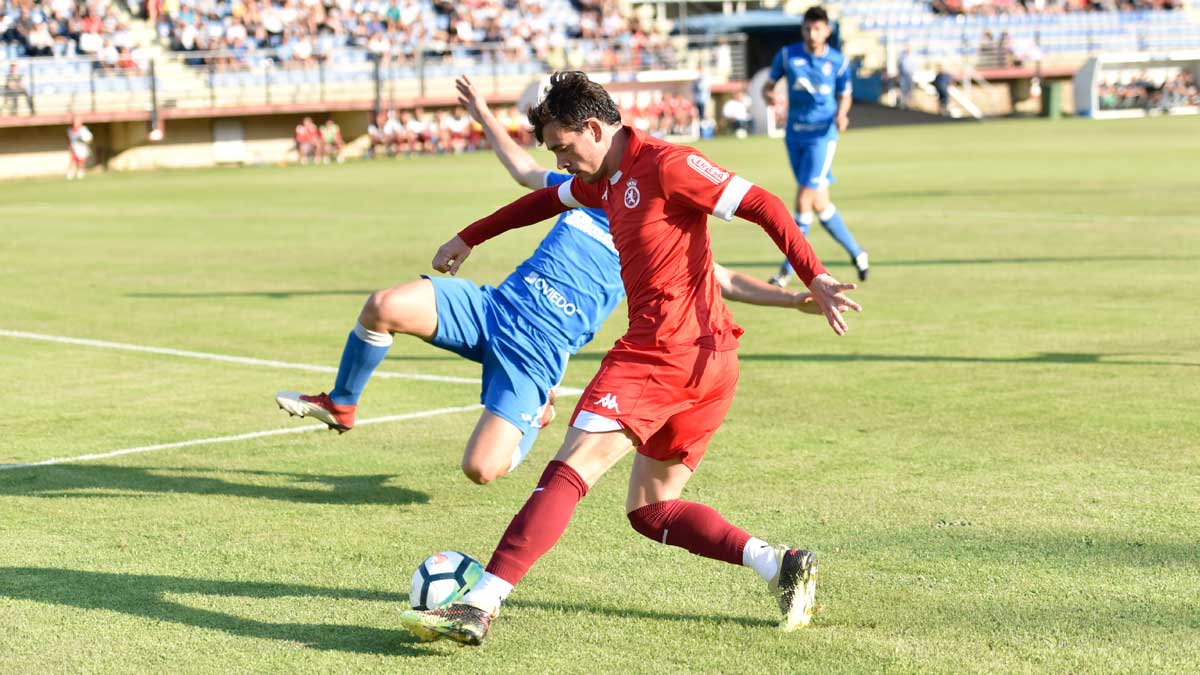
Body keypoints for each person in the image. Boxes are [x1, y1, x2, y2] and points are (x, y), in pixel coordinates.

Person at [399, 71, 859, 645]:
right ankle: (780, 564)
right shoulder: (605, 183)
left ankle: (480, 603)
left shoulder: (668, 164)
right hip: (710, 363)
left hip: (662, 355)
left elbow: (761, 202)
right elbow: (542, 200)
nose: (562, 161)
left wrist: (813, 276)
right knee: (651, 510)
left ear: (592, 128)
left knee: (570, 470)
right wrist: (470, 237)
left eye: (564, 147)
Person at [275, 73, 852, 488]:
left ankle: (537, 413)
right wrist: (481, 131)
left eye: (568, 149)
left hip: (537, 355)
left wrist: (797, 296)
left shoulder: (651, 221)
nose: (566, 161)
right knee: (385, 305)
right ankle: (343, 404)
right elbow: (527, 176)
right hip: (494, 308)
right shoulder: (588, 189)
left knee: (481, 470)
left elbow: (721, 279)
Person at [762, 6, 869, 287]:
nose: (812, 33)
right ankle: (859, 254)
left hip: (823, 136)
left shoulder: (838, 62)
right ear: (803, 29)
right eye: (808, 28)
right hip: (795, 135)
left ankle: (786, 272)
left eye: (818, 28)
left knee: (803, 200)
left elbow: (845, 95)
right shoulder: (787, 55)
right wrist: (770, 96)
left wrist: (843, 114)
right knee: (821, 204)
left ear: (827, 31)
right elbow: (768, 85)